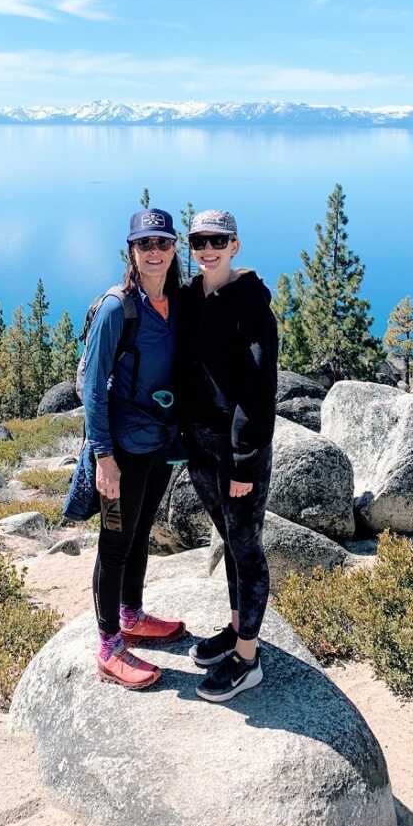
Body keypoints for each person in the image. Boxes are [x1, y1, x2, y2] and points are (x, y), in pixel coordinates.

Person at [83, 207, 186, 689]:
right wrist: (103, 457)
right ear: (131, 250)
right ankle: (108, 645)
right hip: (121, 449)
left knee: (141, 530)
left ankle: (132, 614)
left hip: (160, 444)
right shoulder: (116, 308)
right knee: (116, 541)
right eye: (145, 244)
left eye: (162, 243)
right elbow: (90, 383)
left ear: (173, 249)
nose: (154, 252)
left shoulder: (178, 301)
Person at [178, 209, 278, 702]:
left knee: (245, 548)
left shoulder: (252, 304)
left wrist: (243, 461)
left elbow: (259, 391)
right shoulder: (191, 297)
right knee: (228, 541)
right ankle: (238, 627)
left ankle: (248, 658)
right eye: (198, 241)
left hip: (239, 456)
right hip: (200, 450)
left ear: (235, 245)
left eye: (218, 240)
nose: (207, 249)